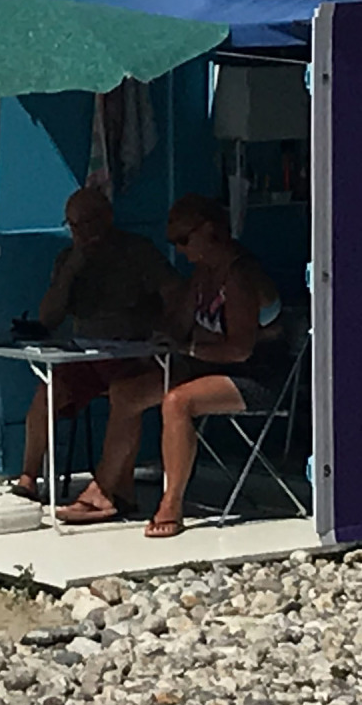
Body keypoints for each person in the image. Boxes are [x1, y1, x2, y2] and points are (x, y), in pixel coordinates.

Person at [59, 194, 287, 535]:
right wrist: (154, 336)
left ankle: (171, 504)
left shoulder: (238, 276)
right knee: (126, 391)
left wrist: (188, 346)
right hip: (207, 368)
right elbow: (175, 326)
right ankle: (109, 491)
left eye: (183, 240)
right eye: (172, 241)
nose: (179, 249)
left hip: (255, 377)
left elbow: (239, 350)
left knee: (177, 402)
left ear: (209, 231)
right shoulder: (202, 276)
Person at [10, 187, 176, 501]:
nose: (83, 232)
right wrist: (72, 269)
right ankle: (29, 477)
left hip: (131, 353)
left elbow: (173, 292)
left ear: (107, 217)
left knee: (127, 395)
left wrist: (162, 331)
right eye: (74, 225)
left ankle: (114, 487)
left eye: (88, 222)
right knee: (46, 395)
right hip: (84, 354)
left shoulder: (137, 251)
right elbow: (48, 318)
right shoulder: (68, 260)